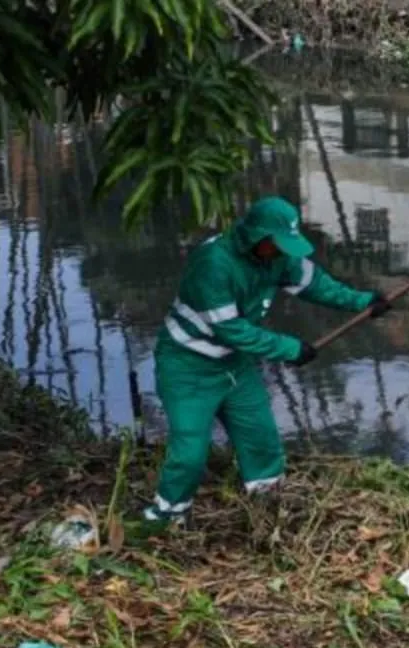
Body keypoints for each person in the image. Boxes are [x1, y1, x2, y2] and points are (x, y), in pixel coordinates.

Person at [143, 196, 387, 525]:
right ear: (257, 237)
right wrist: (290, 348)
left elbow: (316, 284)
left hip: (235, 366)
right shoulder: (213, 264)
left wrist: (364, 301)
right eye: (278, 244)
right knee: (189, 453)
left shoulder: (277, 257)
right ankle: (164, 518)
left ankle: (267, 510)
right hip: (188, 368)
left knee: (261, 439)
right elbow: (232, 330)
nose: (284, 252)